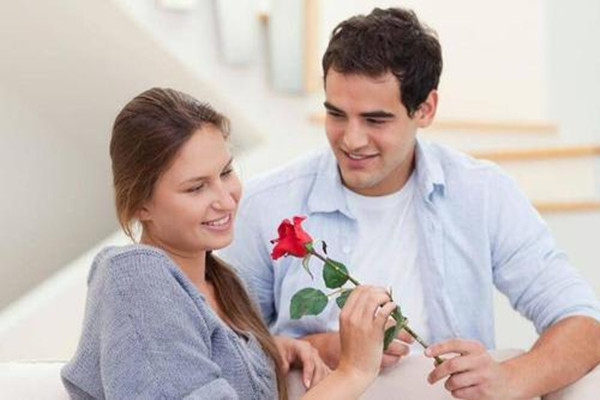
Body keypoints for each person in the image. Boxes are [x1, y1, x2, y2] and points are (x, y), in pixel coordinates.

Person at [218, 7, 600, 399]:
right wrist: (329, 347)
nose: (351, 140)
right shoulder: (267, 203)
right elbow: (218, 349)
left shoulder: (481, 192)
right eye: (336, 114)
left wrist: (511, 379)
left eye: (375, 120)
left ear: (425, 109)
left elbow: (582, 321)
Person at [61, 88, 403, 400]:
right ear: (140, 205)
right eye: (196, 188)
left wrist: (267, 354)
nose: (226, 200)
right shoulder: (134, 277)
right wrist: (354, 371)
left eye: (226, 173)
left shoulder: (227, 283)